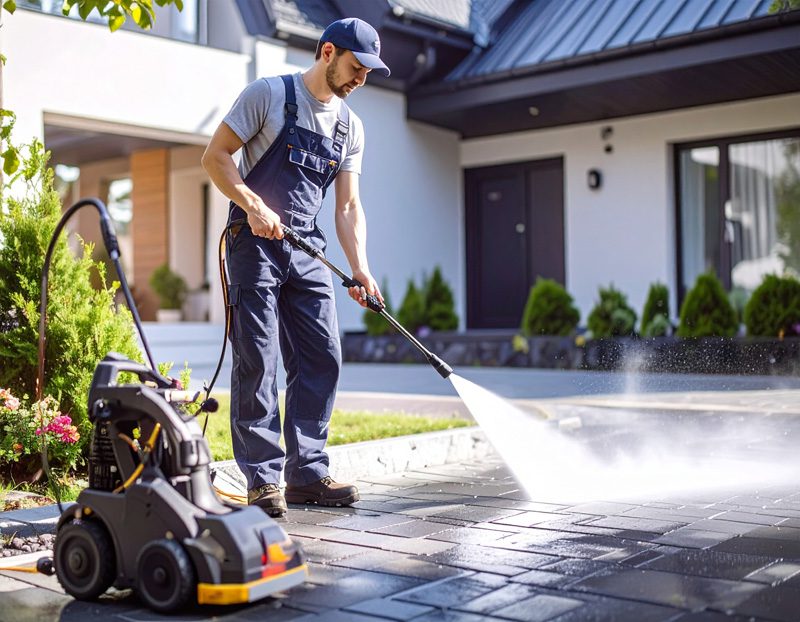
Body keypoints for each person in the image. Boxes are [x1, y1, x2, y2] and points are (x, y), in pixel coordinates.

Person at [201, 17, 389, 517]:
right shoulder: (267, 94)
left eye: (369, 72)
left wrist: (361, 267)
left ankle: (307, 473)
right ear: (328, 52)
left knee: (323, 354)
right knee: (258, 358)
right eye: (355, 67)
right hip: (253, 244)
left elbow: (347, 207)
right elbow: (215, 158)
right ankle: (263, 479)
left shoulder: (351, 127)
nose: (360, 80)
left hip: (308, 248)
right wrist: (253, 206)